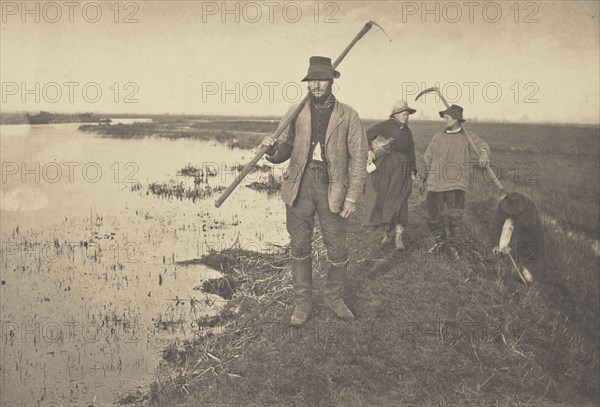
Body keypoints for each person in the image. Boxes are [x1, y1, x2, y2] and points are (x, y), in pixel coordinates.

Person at [261, 56, 368, 326]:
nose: (316, 85)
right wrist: (272, 150)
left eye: (321, 80)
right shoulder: (296, 112)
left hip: (332, 186)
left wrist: (352, 196)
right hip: (299, 185)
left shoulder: (349, 115)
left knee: (338, 248)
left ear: (332, 82)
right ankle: (302, 305)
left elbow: (359, 158)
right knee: (299, 245)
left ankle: (334, 298)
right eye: (312, 80)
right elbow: (284, 147)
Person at [419, 104, 490, 259]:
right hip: (435, 184)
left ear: (457, 119)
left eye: (448, 116)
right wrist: (422, 177)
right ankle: (440, 242)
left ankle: (454, 247)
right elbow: (427, 158)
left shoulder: (467, 137)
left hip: (456, 184)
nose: (445, 119)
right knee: (433, 216)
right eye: (444, 116)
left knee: (455, 217)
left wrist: (484, 154)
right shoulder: (438, 137)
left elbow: (482, 145)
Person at [362, 100, 418, 250]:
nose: (407, 117)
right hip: (385, 169)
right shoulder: (385, 125)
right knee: (385, 200)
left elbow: (410, 151)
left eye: (408, 115)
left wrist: (413, 170)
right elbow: (366, 135)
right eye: (405, 114)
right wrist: (369, 150)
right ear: (396, 115)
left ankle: (399, 235)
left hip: (402, 169)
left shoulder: (407, 131)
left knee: (400, 201)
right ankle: (388, 232)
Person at [493, 192, 545, 283]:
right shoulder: (503, 206)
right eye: (510, 212)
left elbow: (521, 234)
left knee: (530, 252)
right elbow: (497, 225)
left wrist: (511, 247)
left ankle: (527, 270)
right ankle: (508, 259)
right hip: (518, 231)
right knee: (507, 226)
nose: (512, 214)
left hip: (530, 235)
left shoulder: (529, 214)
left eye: (514, 213)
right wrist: (495, 244)